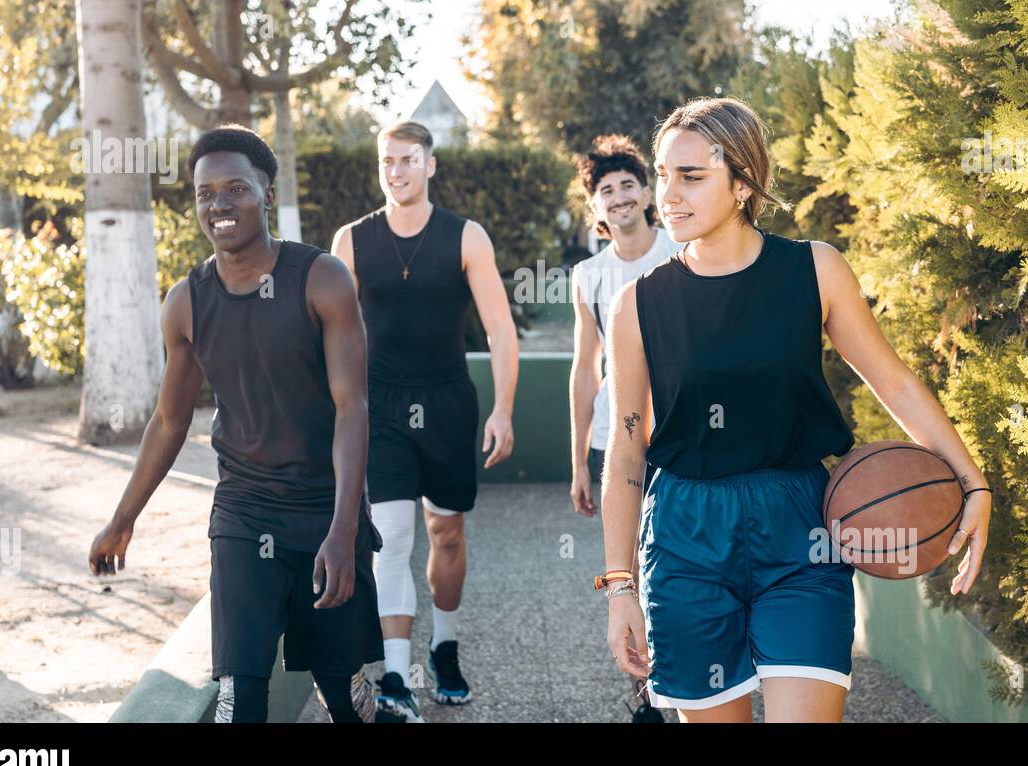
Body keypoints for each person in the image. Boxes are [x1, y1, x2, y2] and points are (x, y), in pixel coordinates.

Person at [599, 97, 992, 722]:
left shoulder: (815, 269)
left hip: (801, 528)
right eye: (664, 175)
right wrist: (620, 586)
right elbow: (626, 451)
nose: (667, 195)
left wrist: (973, 481)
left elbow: (894, 383)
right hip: (686, 535)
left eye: (691, 177)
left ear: (743, 184)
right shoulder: (637, 305)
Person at [89, 124, 383, 723]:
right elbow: (169, 420)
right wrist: (122, 520)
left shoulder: (323, 279)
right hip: (244, 513)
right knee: (238, 696)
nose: (219, 204)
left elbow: (352, 408)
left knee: (341, 698)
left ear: (267, 194)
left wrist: (344, 530)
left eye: (236, 189)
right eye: (205, 193)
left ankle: (353, 686)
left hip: (325, 506)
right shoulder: (186, 302)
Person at [331, 120, 517, 722]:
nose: (396, 171)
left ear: (430, 164)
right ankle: (394, 676)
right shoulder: (351, 241)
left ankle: (445, 645)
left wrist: (504, 409)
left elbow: (500, 330)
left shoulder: (467, 237)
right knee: (391, 540)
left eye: (407, 159)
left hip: (448, 405)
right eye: (387, 161)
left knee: (446, 535)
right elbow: (335, 337)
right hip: (380, 408)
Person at [567, 134, 681, 722]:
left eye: (627, 185)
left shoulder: (681, 251)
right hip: (619, 439)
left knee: (676, 556)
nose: (618, 197)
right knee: (628, 565)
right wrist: (577, 461)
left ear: (646, 193)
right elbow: (584, 369)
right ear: (595, 207)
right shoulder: (589, 275)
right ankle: (646, 691)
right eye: (606, 190)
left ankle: (688, 675)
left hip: (683, 432)